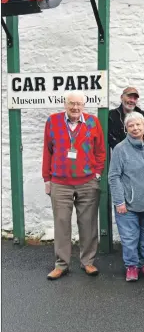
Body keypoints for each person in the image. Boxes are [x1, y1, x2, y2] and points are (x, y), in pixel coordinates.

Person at [42, 90, 106, 280]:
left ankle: (88, 262)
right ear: (65, 105)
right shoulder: (52, 121)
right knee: (61, 223)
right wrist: (47, 179)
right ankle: (61, 264)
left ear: (84, 106)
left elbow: (100, 151)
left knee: (88, 224)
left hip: (87, 181)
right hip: (60, 182)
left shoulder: (93, 122)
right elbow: (47, 151)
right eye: (71, 104)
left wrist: (97, 173)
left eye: (79, 104)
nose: (75, 107)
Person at [108, 112, 144, 282]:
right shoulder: (120, 149)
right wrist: (119, 201)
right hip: (127, 204)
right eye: (131, 125)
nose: (135, 128)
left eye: (138, 124)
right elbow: (113, 176)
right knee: (130, 238)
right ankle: (131, 266)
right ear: (126, 128)